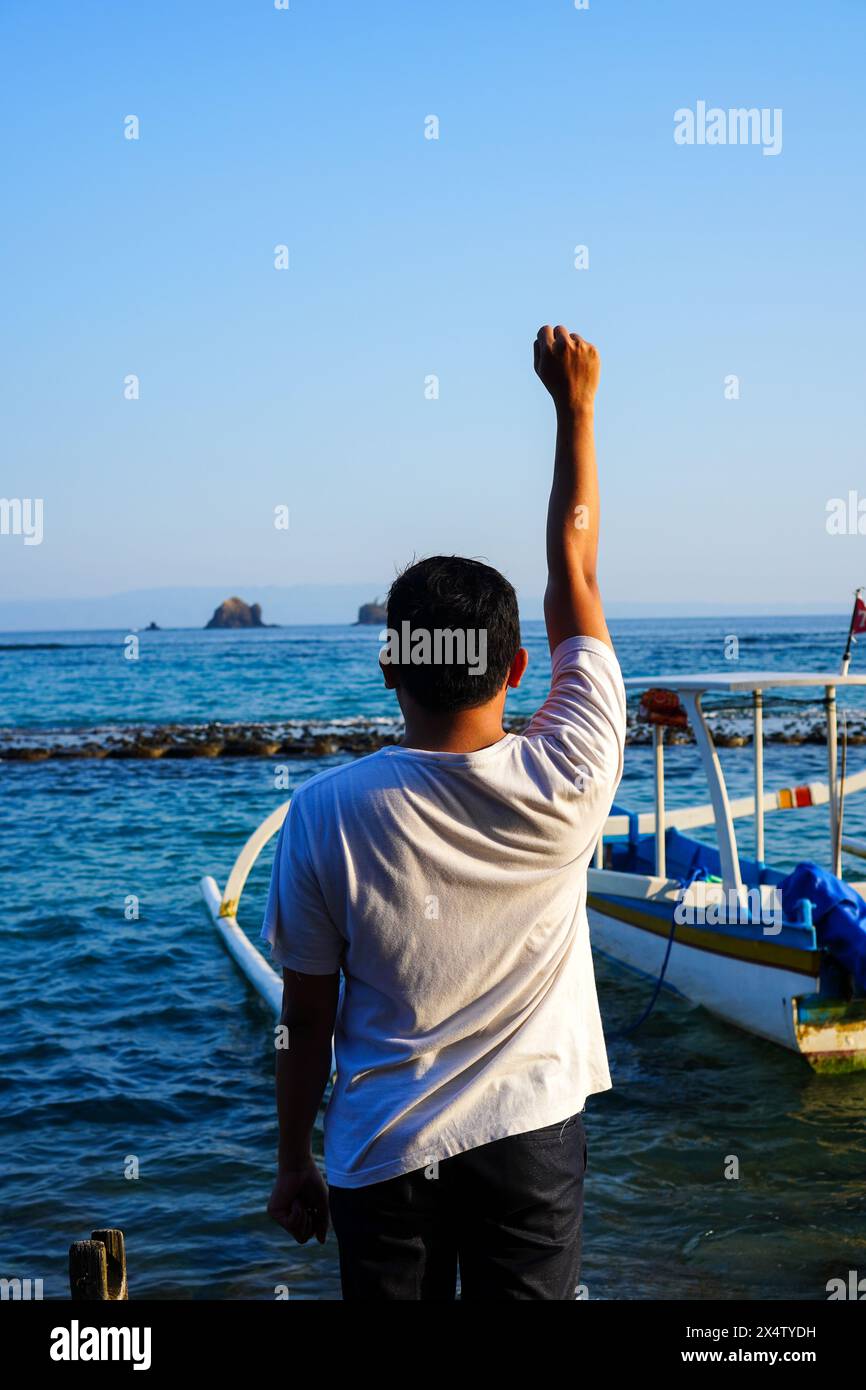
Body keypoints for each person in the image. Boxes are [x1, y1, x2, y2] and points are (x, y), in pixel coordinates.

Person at [262, 325, 626, 1300]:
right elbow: (575, 577)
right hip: (531, 1142)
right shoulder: (571, 768)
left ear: (389, 666)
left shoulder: (320, 814)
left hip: (382, 1154)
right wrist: (574, 409)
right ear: (515, 669)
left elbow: (306, 1016)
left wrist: (294, 1158)